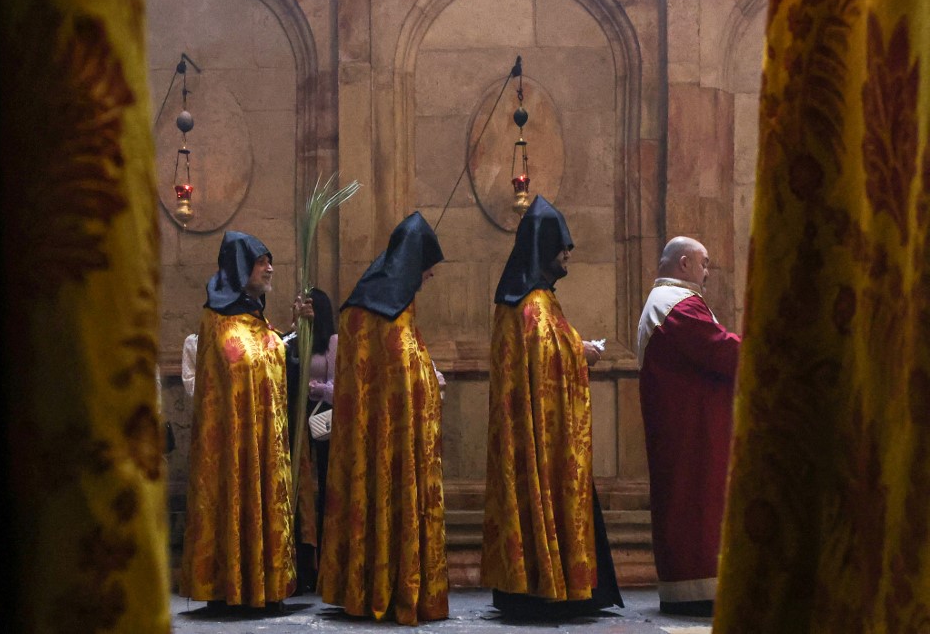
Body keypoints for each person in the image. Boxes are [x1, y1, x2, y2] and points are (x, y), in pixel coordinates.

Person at [481, 195, 624, 619]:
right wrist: (582, 354)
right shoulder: (533, 306)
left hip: (528, 431)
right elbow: (548, 360)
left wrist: (573, 348)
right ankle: (548, 585)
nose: (567, 254)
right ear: (543, 247)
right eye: (562, 247)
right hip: (542, 435)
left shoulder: (525, 302)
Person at [317, 212, 449, 625]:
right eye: (427, 269)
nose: (428, 277)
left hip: (364, 442)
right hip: (395, 442)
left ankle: (359, 584)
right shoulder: (392, 317)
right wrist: (429, 377)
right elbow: (405, 373)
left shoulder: (361, 306)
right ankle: (396, 586)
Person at [180, 231, 307, 610]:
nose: (270, 268)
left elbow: (267, 358)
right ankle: (228, 587)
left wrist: (296, 332)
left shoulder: (256, 316)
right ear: (240, 266)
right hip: (230, 445)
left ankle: (265, 586)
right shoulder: (217, 320)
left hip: (264, 441)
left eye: (270, 261)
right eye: (261, 261)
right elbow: (235, 367)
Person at [636, 236, 741, 617]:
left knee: (692, 505)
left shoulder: (668, 302)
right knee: (694, 504)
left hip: (689, 424)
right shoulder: (676, 305)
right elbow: (718, 347)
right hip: (691, 431)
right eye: (704, 263)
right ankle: (697, 591)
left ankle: (697, 588)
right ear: (683, 264)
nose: (708, 272)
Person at [284, 288, 337, 593]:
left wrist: (312, 387)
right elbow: (287, 365)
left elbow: (338, 385)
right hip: (298, 422)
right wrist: (294, 326)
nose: (308, 310)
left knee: (326, 487)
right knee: (301, 491)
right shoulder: (296, 340)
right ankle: (305, 563)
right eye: (304, 305)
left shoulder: (332, 342)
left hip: (323, 421)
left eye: (313, 306)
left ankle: (326, 562)